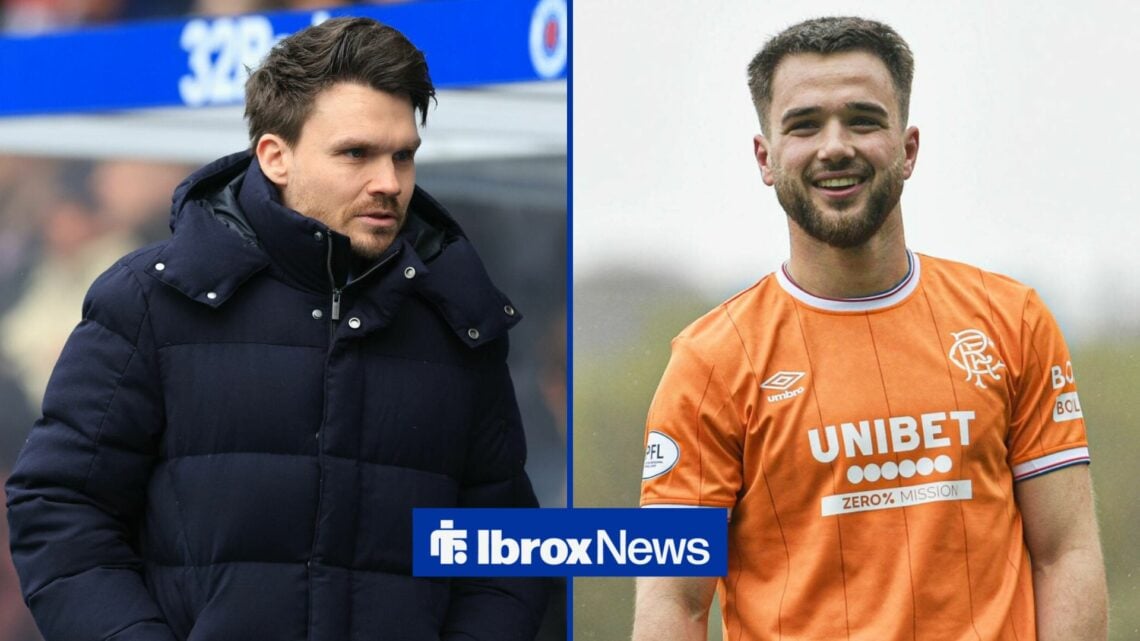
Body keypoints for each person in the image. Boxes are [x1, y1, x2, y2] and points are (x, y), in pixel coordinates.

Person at [6, 17, 547, 641]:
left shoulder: (458, 318)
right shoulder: (150, 300)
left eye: (403, 155)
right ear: (275, 157)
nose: (389, 183)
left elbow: (504, 550)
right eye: (356, 153)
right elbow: (59, 509)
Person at [633, 16, 1106, 641]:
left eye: (862, 120)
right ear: (765, 158)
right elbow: (675, 603)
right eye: (805, 125)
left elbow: (1065, 554)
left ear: (908, 150)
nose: (835, 146)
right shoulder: (710, 361)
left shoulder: (1011, 321)